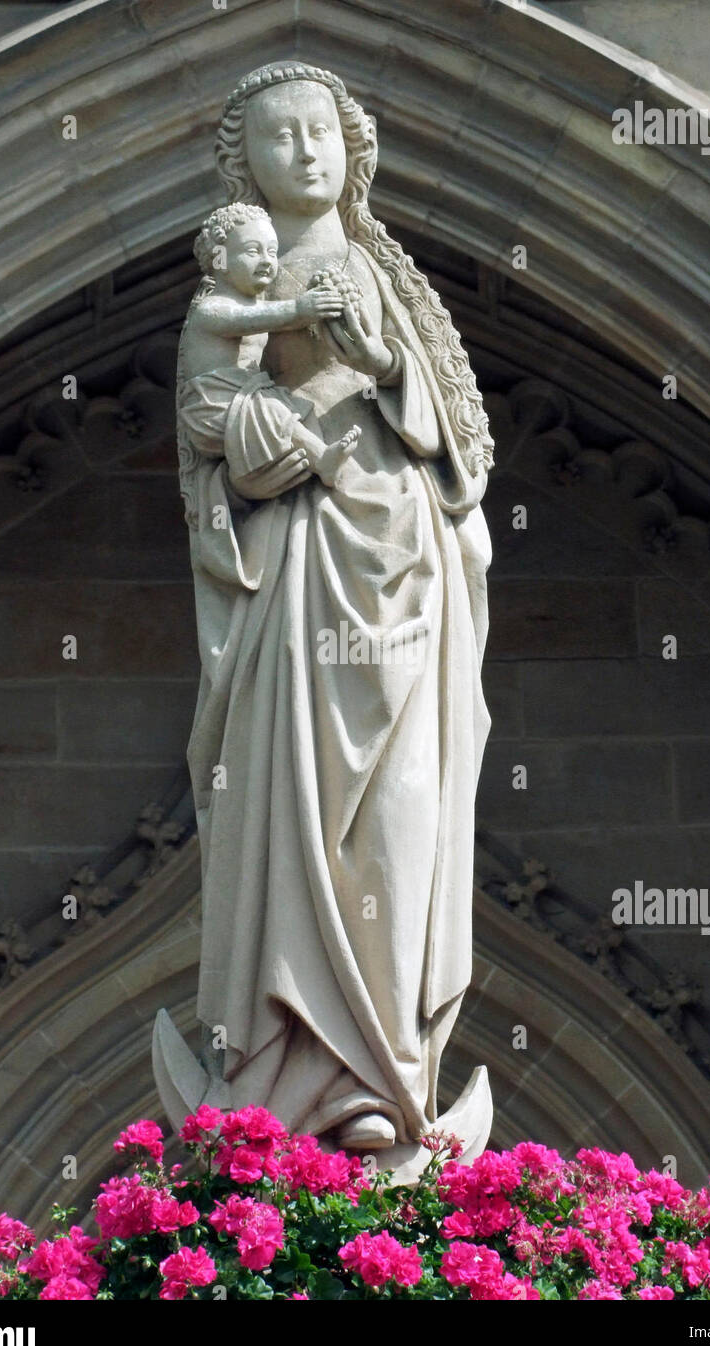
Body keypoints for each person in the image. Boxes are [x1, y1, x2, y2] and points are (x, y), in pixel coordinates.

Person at [179, 61, 494, 1155]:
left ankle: (386, 1067)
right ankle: (285, 1063)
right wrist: (282, 426)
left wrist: (373, 362)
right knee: (285, 799)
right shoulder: (241, 284)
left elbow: (456, 448)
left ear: (351, 147)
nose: (305, 152)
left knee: (402, 813)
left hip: (398, 559)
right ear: (243, 165)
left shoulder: (382, 278)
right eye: (278, 137)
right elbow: (215, 423)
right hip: (297, 564)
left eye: (321, 131)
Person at [177, 201, 361, 496]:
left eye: (272, 252)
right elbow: (258, 319)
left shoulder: (257, 305)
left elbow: (275, 320)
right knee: (272, 409)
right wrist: (300, 309)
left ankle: (312, 456)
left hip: (246, 398)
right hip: (214, 407)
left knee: (299, 410)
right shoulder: (212, 309)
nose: (266, 260)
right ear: (220, 258)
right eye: (252, 251)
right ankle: (321, 461)